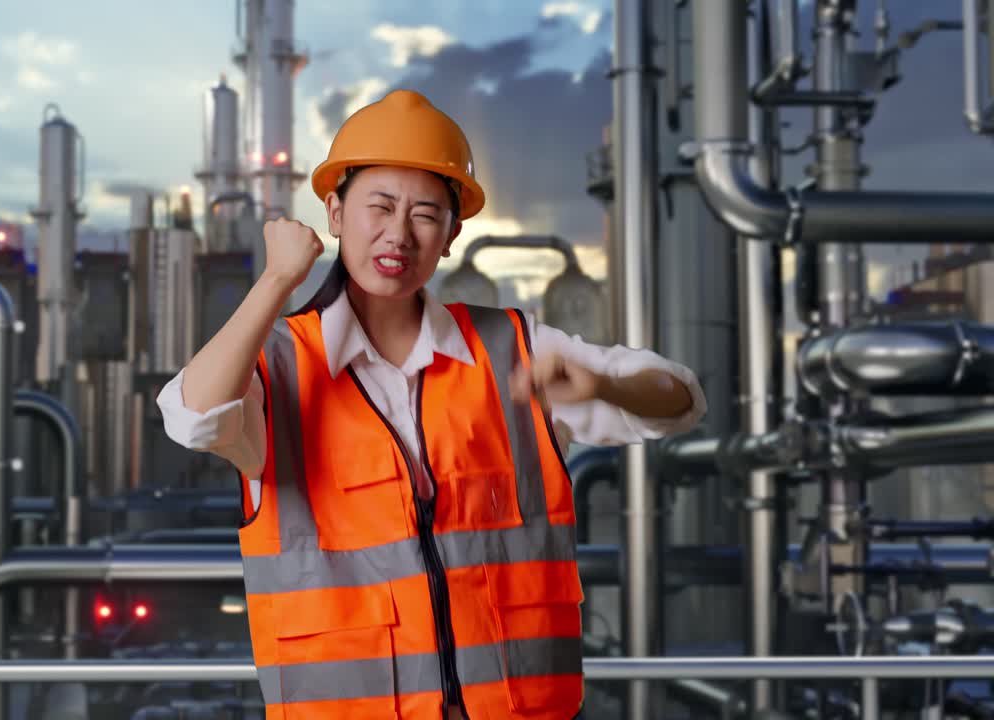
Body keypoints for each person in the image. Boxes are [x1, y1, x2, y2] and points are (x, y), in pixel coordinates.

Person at [158, 89, 706, 720]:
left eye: (425, 214)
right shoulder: (276, 364)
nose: (399, 233)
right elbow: (193, 418)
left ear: (452, 235)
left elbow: (679, 400)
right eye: (379, 207)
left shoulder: (511, 346)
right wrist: (277, 279)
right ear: (334, 213)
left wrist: (604, 386)